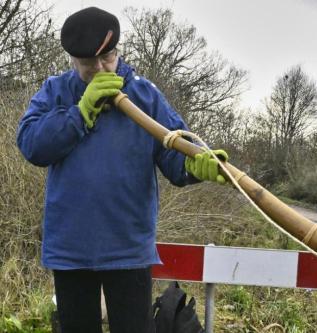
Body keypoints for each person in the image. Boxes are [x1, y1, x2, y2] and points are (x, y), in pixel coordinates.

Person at [16, 6, 227, 333]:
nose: (100, 68)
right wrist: (81, 112)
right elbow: (31, 145)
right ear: (73, 60)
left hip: (128, 249)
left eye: (108, 58)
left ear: (118, 51)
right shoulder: (55, 91)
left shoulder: (144, 95)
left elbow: (175, 156)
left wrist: (197, 165)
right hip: (71, 249)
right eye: (88, 63)